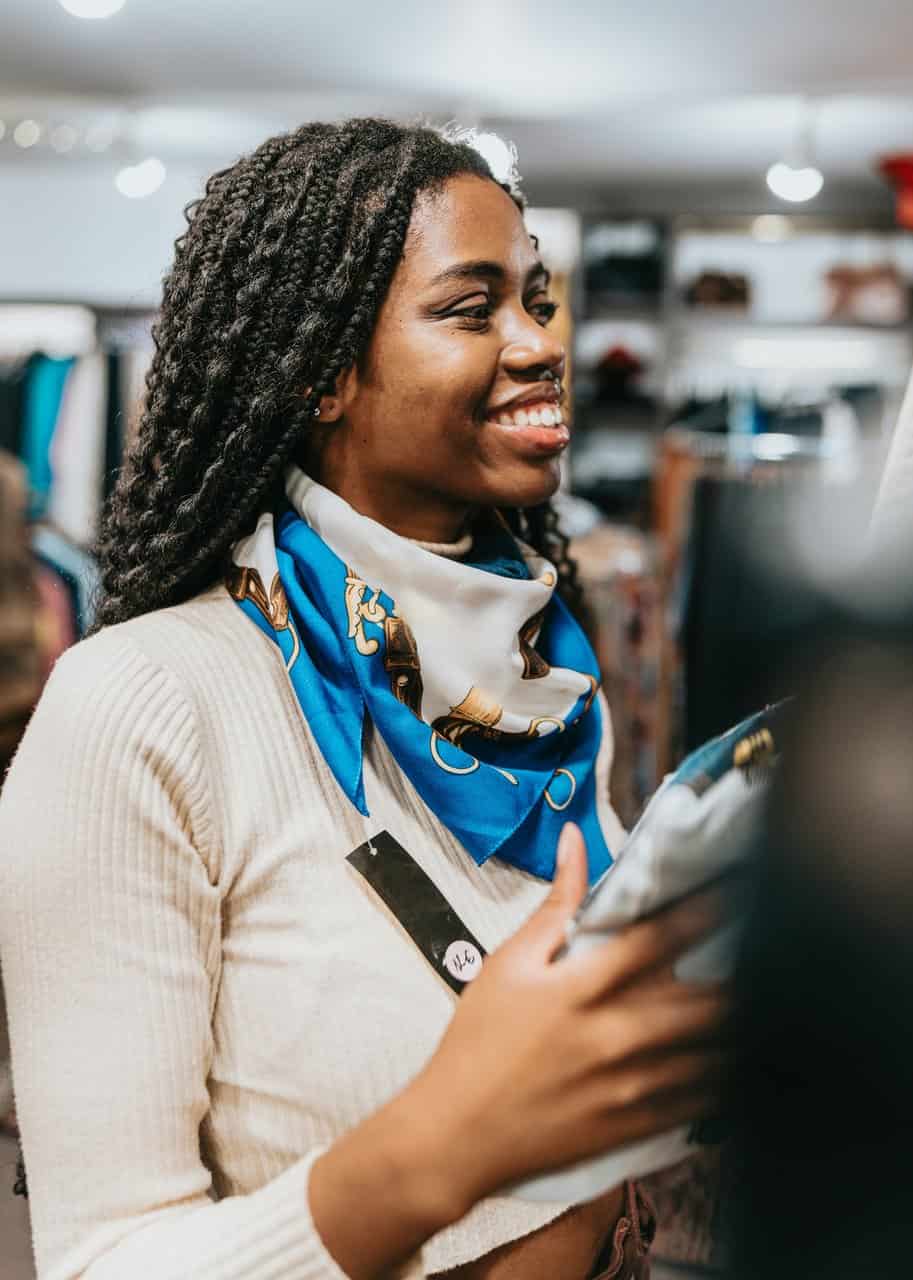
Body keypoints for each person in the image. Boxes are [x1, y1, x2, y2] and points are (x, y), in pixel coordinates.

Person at [0, 119, 727, 1280]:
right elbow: (104, 1261)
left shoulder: (536, 680)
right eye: (470, 306)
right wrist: (441, 1145)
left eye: (536, 299)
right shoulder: (145, 704)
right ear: (319, 371)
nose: (539, 342)